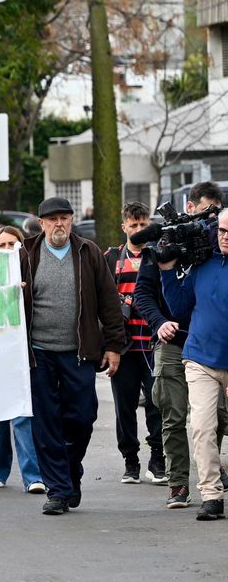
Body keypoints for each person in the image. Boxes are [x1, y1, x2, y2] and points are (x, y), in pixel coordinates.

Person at [19, 196, 126, 515]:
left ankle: (70, 471)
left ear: (72, 220)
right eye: (52, 220)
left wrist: (114, 345)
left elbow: (109, 300)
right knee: (46, 422)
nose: (59, 224)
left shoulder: (88, 252)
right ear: (41, 224)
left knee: (82, 416)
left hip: (78, 352)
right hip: (38, 354)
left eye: (64, 218)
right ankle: (58, 489)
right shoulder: (26, 253)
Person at [134, 181, 228, 510]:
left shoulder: (212, 252)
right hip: (183, 345)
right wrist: (160, 320)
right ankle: (187, 486)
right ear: (190, 207)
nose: (213, 226)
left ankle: (214, 470)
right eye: (206, 214)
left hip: (216, 345)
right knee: (180, 417)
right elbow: (154, 296)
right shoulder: (171, 241)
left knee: (217, 419)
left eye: (215, 217)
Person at [158, 206, 228, 521]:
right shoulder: (203, 265)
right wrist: (168, 270)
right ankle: (211, 496)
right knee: (201, 428)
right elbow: (180, 307)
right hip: (200, 358)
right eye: (223, 231)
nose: (225, 238)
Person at [106, 201, 166, 485]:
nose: (140, 230)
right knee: (124, 407)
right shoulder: (111, 258)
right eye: (134, 226)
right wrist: (110, 346)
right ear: (124, 228)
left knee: (158, 404)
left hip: (155, 344)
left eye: (144, 225)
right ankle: (130, 460)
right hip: (125, 347)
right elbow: (104, 305)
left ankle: (158, 458)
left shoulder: (161, 256)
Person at [0, 225, 45, 494]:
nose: (8, 250)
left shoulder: (35, 275)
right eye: (2, 245)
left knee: (23, 415)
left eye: (13, 244)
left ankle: (33, 476)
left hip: (24, 355)